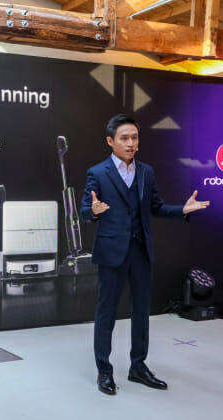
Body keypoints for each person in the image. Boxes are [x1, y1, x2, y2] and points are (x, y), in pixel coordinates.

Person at [79, 114, 209, 395]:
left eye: (134, 138)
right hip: (112, 252)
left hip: (141, 251)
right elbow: (84, 211)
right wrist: (94, 212)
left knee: (141, 312)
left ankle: (138, 367)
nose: (130, 143)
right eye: (124, 138)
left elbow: (156, 207)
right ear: (110, 141)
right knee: (106, 313)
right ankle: (104, 370)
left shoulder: (146, 172)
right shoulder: (97, 173)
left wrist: (182, 210)